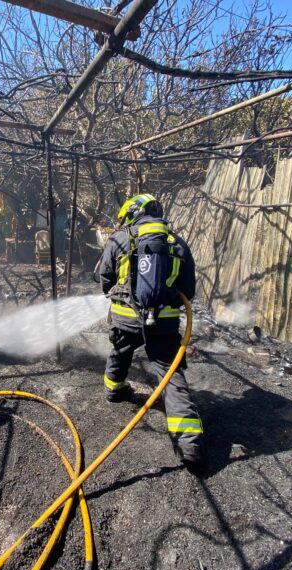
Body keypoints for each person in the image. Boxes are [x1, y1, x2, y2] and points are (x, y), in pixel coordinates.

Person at [98, 193, 203, 471]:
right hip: (163, 322)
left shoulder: (120, 239)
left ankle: (114, 389)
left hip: (125, 318)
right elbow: (188, 289)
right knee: (169, 373)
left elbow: (105, 279)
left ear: (133, 212)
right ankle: (189, 443)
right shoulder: (177, 243)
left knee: (121, 351)